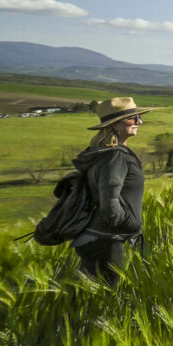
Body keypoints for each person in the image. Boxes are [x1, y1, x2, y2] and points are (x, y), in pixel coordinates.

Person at [71, 96, 155, 284]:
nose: (139, 122)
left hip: (96, 237)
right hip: (107, 241)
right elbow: (110, 205)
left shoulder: (101, 152)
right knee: (103, 298)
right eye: (133, 118)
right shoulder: (116, 156)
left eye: (139, 118)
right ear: (116, 125)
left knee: (85, 298)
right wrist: (132, 225)